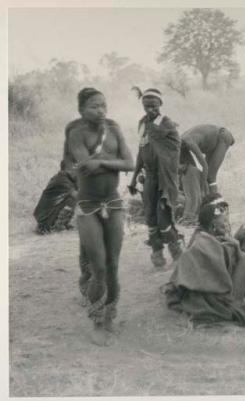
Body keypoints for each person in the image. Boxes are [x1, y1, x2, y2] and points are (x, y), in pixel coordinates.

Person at [66, 87, 134, 346]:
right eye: (94, 106)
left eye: (104, 105)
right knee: (100, 267)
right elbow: (87, 167)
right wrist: (111, 161)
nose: (101, 110)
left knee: (114, 266)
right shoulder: (76, 134)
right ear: (81, 110)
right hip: (88, 206)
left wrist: (104, 163)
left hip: (113, 203)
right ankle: (96, 320)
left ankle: (109, 318)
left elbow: (130, 163)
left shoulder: (115, 131)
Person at [163, 203, 245, 326]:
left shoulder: (200, 236)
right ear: (213, 224)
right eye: (223, 221)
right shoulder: (207, 243)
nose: (226, 224)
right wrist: (238, 246)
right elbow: (223, 271)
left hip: (202, 295)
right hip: (217, 299)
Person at [128, 88, 183, 268]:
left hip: (165, 179)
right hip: (150, 178)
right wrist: (134, 178)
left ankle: (178, 254)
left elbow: (168, 149)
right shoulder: (143, 123)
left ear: (160, 104)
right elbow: (142, 152)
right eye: (146, 106)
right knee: (150, 218)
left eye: (153, 106)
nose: (150, 109)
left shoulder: (166, 124)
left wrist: (151, 125)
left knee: (163, 219)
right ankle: (157, 253)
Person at [178, 124, 235, 226]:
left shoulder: (187, 141)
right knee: (200, 177)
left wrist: (203, 183)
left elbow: (204, 165)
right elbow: (193, 169)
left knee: (210, 177)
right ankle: (208, 209)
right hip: (211, 144)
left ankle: (218, 209)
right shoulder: (179, 149)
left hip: (222, 137)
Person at [33, 161, 78, 234]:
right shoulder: (61, 179)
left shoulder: (68, 178)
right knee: (72, 198)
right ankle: (55, 226)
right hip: (44, 220)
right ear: (68, 169)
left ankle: (61, 224)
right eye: (76, 168)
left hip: (45, 216)